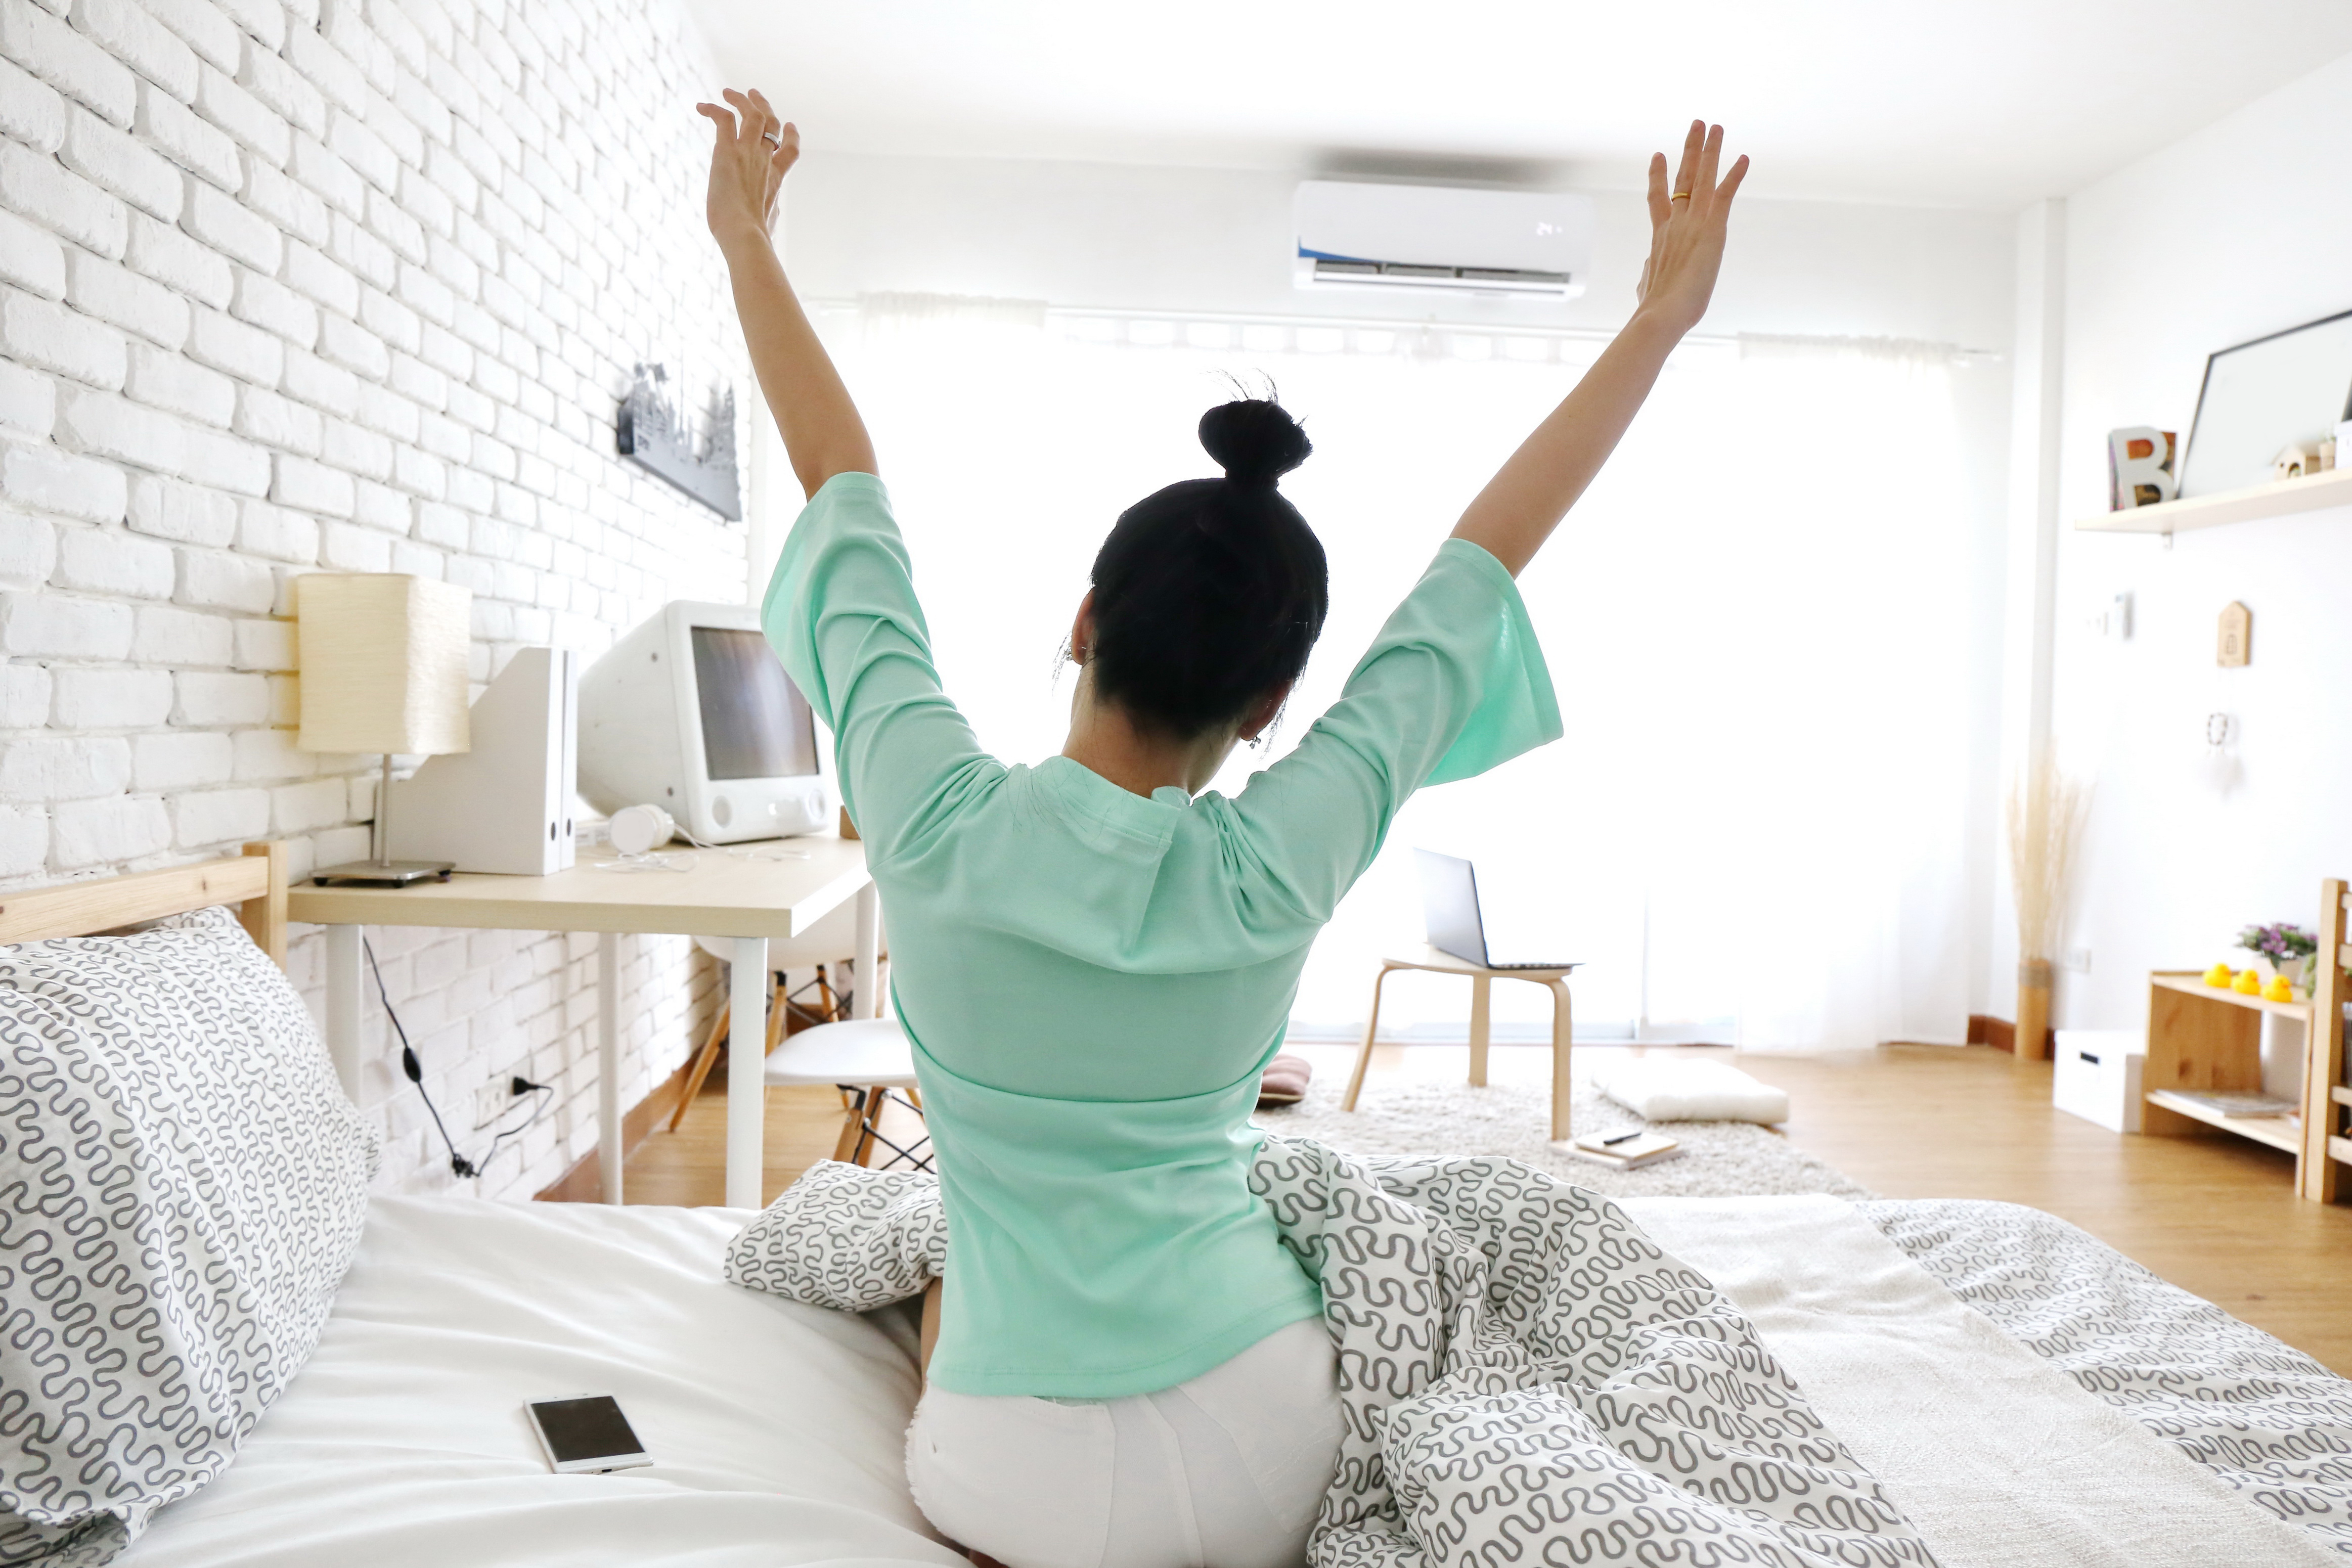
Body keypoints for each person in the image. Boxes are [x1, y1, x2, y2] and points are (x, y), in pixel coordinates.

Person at [696, 87, 1746, 1568]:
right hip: (1265, 1445)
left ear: (1079, 621)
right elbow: (1476, 569)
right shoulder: (1280, 857)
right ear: (1268, 704)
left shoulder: (925, 810)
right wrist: (1652, 322)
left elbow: (841, 495)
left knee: (943, 1274)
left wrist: (745, 238)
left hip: (1007, 1474)